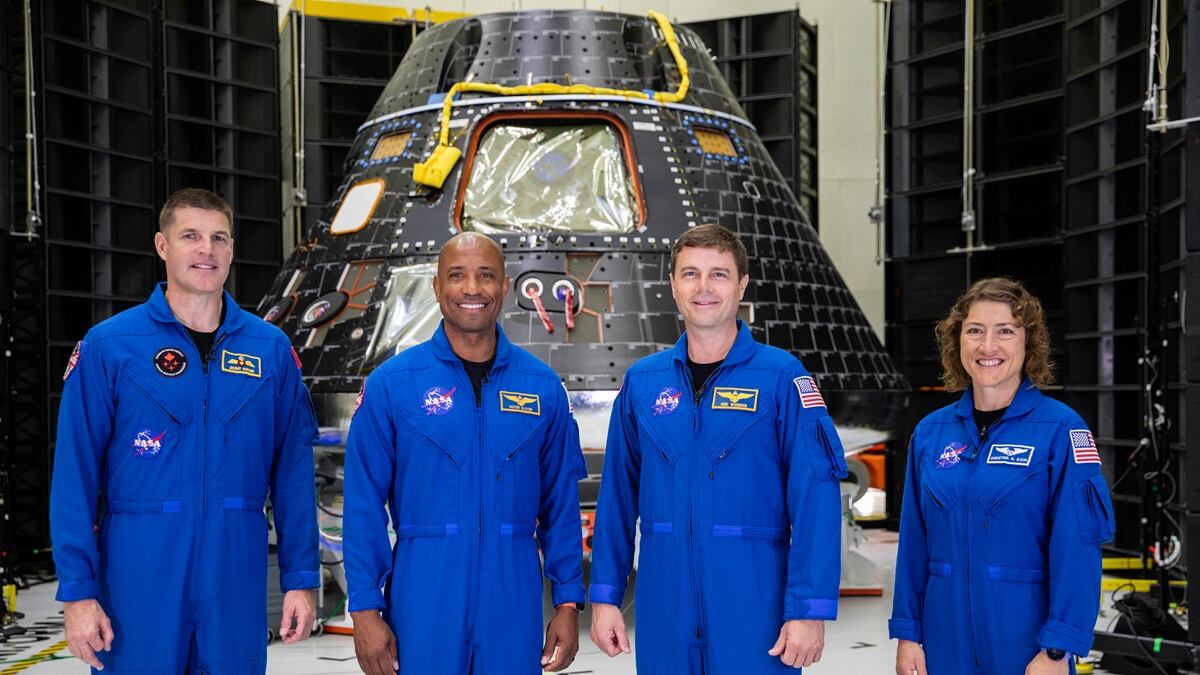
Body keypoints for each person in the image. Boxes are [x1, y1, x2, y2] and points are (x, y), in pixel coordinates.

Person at [50, 188, 320, 673]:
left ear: (232, 249)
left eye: (219, 238)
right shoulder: (111, 347)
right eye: (190, 236)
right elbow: (74, 478)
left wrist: (301, 578)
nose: (206, 250)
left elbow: (294, 477)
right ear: (162, 245)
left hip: (234, 577)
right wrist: (78, 592)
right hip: (137, 580)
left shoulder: (271, 351)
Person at [588, 224, 848, 673]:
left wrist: (808, 609)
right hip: (664, 604)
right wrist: (606, 596)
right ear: (673, 285)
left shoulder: (782, 378)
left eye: (719, 274)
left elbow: (816, 500)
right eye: (690, 274)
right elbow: (616, 498)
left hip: (755, 604)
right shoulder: (643, 383)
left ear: (742, 285)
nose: (703, 287)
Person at [343, 231, 587, 674]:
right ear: (437, 286)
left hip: (512, 596)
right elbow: (362, 506)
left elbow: (561, 506)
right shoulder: (392, 385)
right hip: (423, 595)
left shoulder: (542, 388)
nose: (472, 288)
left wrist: (567, 602)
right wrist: (364, 609)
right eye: (457, 275)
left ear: (505, 287)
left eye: (486, 275)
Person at [890, 277, 1116, 675]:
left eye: (1005, 331)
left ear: (1029, 343)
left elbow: (1078, 549)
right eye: (975, 330)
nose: (987, 346)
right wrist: (908, 635)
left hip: (1025, 644)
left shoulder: (1061, 430)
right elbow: (913, 543)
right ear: (957, 341)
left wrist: (1058, 649)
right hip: (943, 641)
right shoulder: (930, 433)